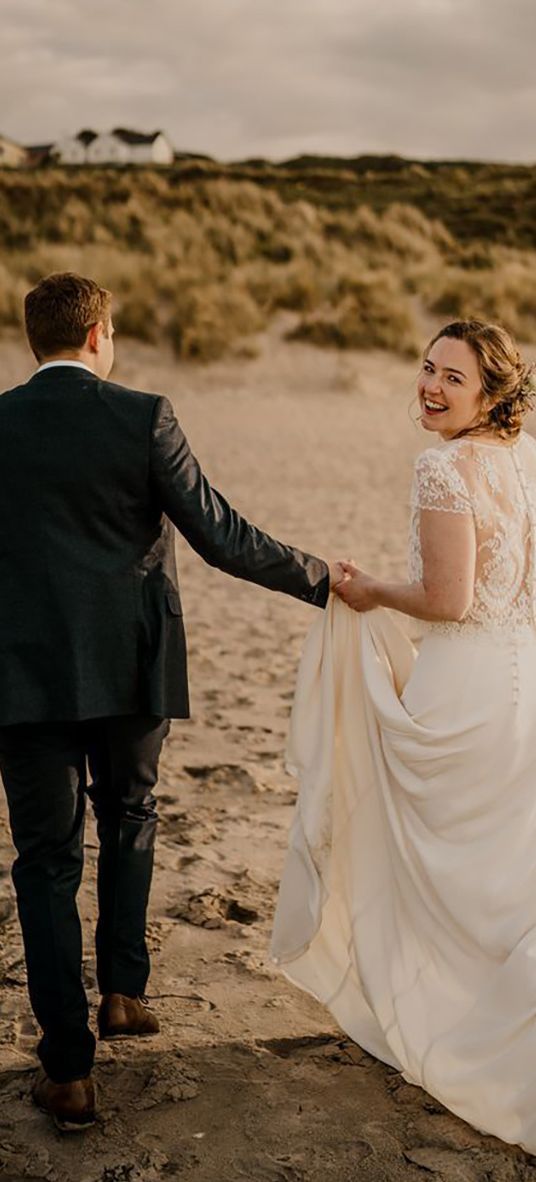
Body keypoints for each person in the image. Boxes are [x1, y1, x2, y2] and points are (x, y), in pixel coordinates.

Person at [0, 271, 345, 1132]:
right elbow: (219, 533)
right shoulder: (143, 414)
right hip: (130, 669)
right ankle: (122, 991)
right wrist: (324, 579)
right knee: (131, 816)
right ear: (98, 335)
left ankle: (70, 1071)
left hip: (23, 676)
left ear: (32, 338)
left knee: (45, 863)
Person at [271, 319, 536, 1154]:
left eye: (452, 378)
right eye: (427, 367)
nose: (430, 385)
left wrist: (370, 591)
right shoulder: (524, 462)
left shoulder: (443, 468)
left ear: (489, 395)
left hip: (464, 683)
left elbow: (448, 601)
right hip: (522, 681)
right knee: (501, 863)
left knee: (443, 858)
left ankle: (455, 1022)